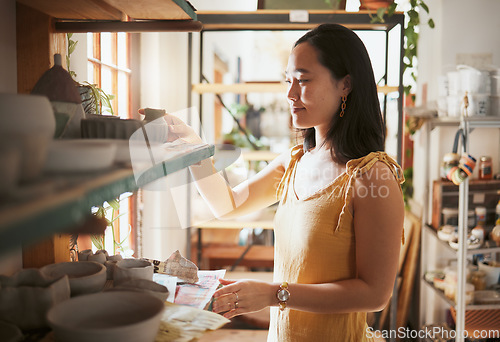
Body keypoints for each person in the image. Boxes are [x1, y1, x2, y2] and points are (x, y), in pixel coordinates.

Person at [157, 23, 405, 342]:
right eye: (288, 80)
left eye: (302, 80)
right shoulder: (293, 162)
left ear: (345, 84)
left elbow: (374, 295)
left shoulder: (372, 176)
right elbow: (227, 205)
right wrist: (192, 146)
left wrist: (275, 294)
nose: (290, 94)